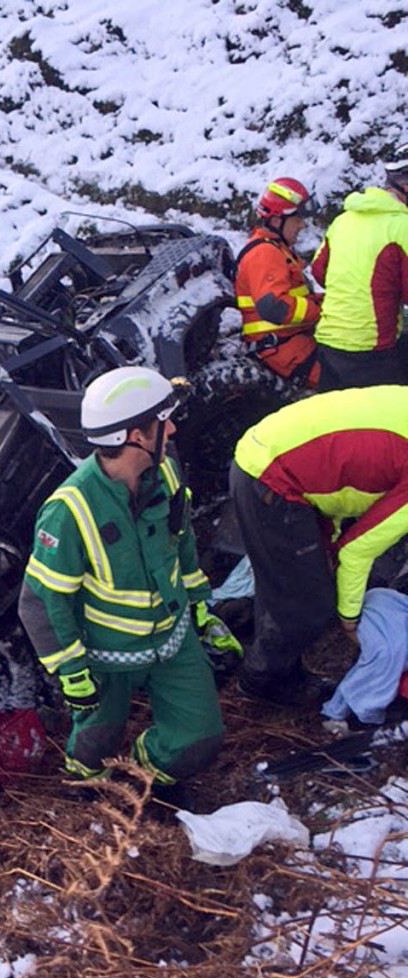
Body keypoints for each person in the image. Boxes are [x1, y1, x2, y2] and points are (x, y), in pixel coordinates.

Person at [17, 366, 234, 787]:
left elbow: (183, 542)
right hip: (105, 655)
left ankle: (135, 783)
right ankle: (86, 789)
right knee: (94, 745)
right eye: (162, 422)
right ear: (135, 436)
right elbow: (40, 601)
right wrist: (72, 671)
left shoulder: (168, 472)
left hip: (173, 638)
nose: (170, 430)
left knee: (200, 739)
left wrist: (201, 608)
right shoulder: (70, 509)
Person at [230, 385, 408, 706]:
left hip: (272, 453)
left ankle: (238, 631)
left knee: (290, 579)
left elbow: (345, 474)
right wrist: (350, 619)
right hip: (273, 478)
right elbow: (357, 549)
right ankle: (259, 681)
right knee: (310, 606)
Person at [310, 142, 408, 390]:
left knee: (335, 420)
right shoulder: (402, 227)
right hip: (373, 349)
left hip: (329, 342)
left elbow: (319, 271)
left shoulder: (344, 220)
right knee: (378, 422)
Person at [234, 176, 322, 388]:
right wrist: (323, 309)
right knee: (355, 377)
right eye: (297, 219)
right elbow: (275, 307)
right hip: (284, 351)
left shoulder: (274, 248)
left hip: (293, 343)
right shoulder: (265, 253)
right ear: (276, 221)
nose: (302, 225)